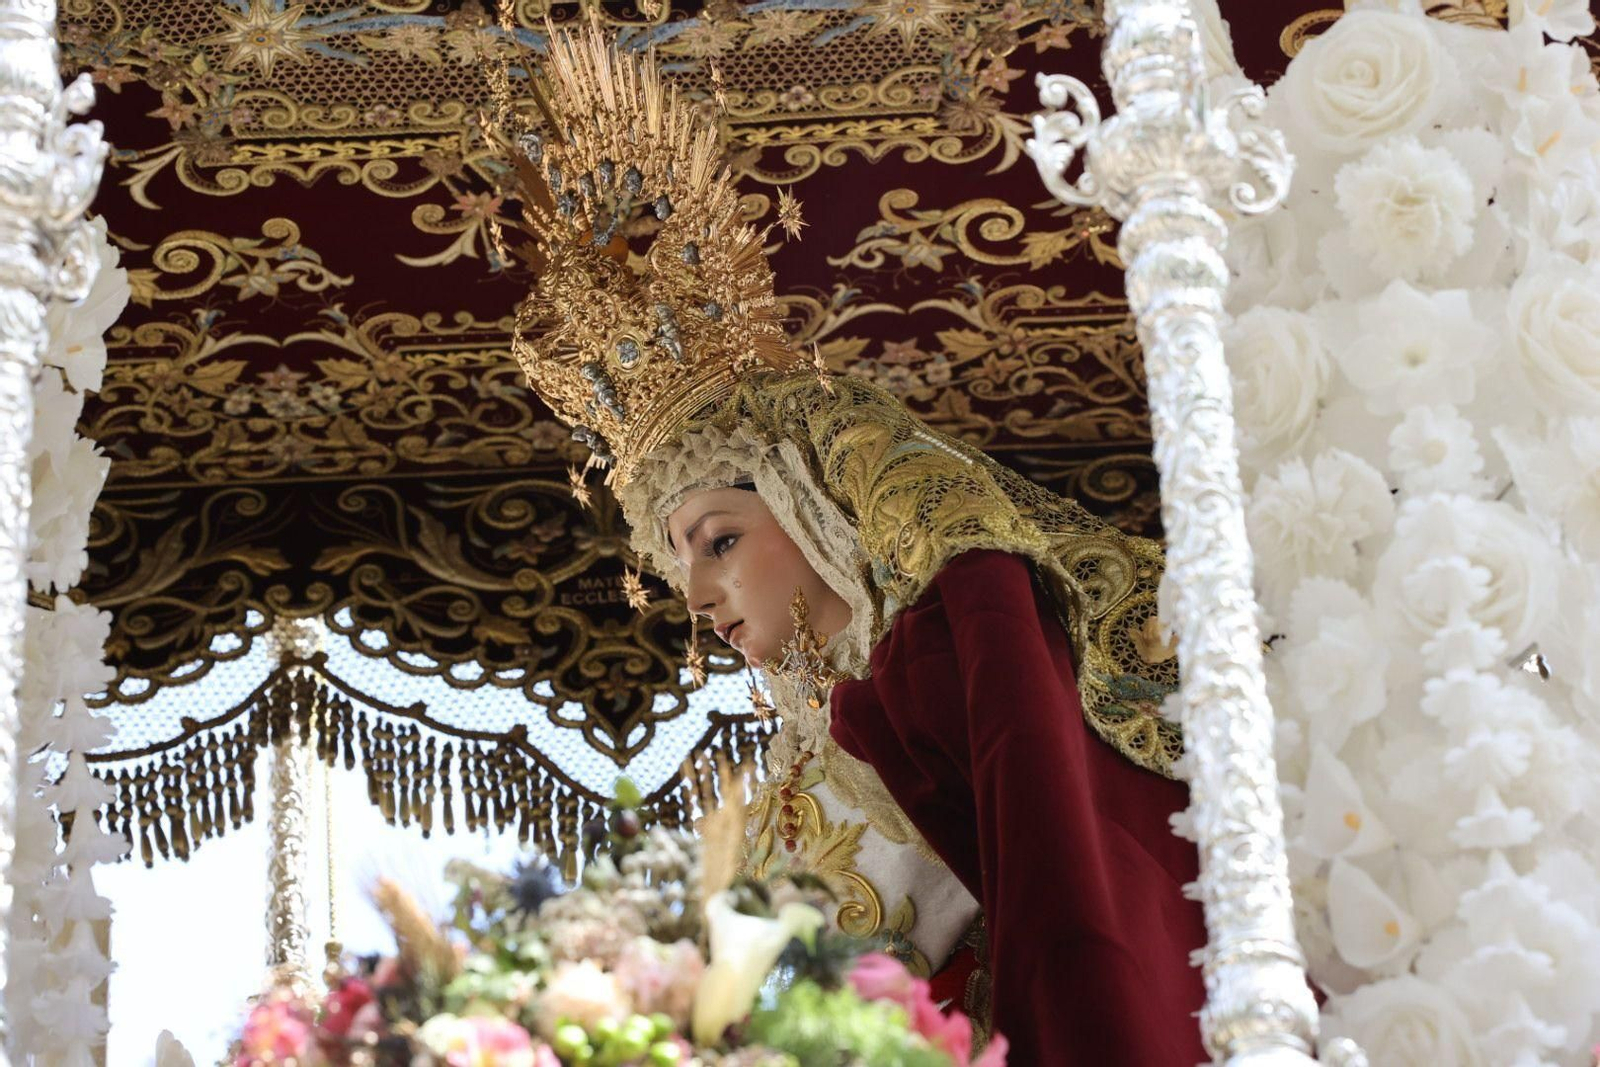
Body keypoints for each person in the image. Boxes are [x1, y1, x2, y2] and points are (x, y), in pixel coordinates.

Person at [491, 21, 1208, 1063]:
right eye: (678, 558)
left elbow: (1067, 923)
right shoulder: (806, 752)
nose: (694, 591)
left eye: (718, 538)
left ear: (813, 503)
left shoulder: (951, 654)